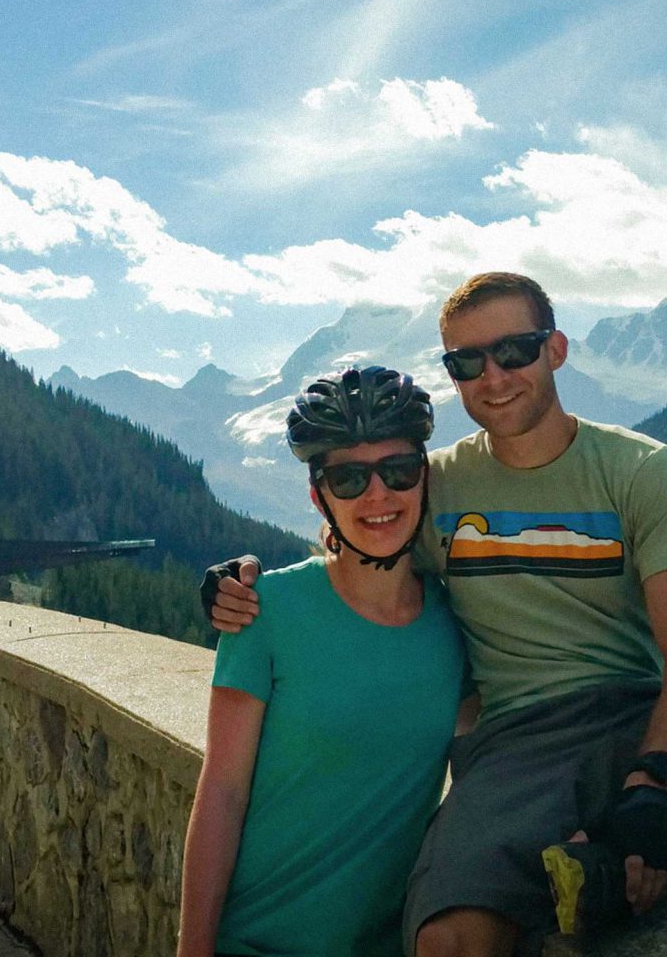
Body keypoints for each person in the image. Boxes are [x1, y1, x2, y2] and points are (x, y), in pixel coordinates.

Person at [204, 272, 667, 956]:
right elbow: (355, 538)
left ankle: (662, 846)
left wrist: (654, 787)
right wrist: (241, 582)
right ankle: (628, 849)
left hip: (650, 713)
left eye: (513, 350)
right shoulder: (431, 481)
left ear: (555, 349)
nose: (495, 375)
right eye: (467, 361)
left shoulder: (640, 469)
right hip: (520, 747)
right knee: (447, 941)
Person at [180, 366, 467, 957]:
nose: (378, 495)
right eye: (349, 477)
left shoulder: (456, 624)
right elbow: (222, 793)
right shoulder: (265, 612)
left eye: (399, 470)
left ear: (425, 479)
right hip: (255, 945)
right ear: (319, 496)